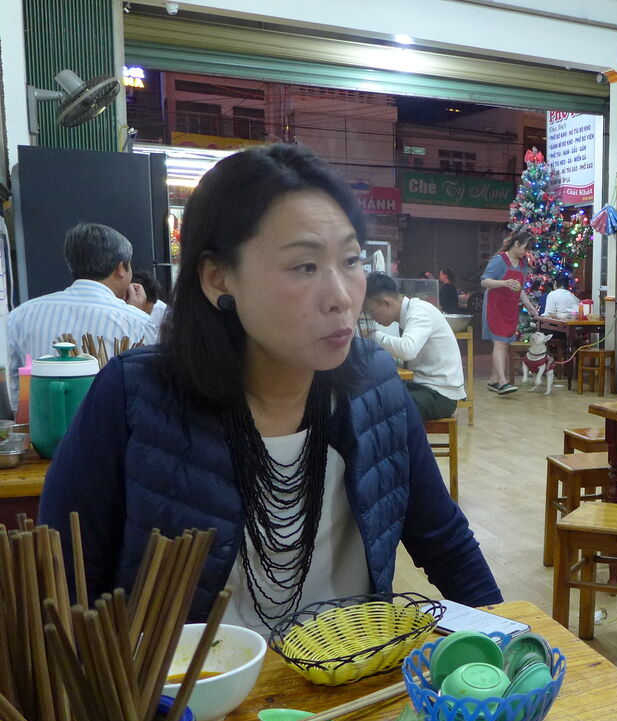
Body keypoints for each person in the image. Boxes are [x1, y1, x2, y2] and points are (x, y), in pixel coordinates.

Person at [39, 143, 501, 633]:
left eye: (351, 260)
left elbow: (444, 540)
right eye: (305, 266)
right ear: (218, 278)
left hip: (352, 670)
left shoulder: (375, 384)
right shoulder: (133, 395)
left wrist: (510, 648)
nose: (341, 297)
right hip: (196, 682)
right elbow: (63, 582)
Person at [7, 222, 154, 399]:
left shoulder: (21, 315)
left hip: (41, 415)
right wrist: (134, 317)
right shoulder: (139, 323)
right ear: (121, 268)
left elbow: (12, 390)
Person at [363, 271, 466, 422]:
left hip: (440, 394)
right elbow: (410, 359)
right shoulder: (408, 314)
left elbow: (407, 350)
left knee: (387, 409)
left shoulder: (419, 312)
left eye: (372, 312)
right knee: (373, 398)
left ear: (386, 303)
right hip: (422, 387)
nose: (373, 318)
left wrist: (372, 335)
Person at [480, 229, 540, 395]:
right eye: (525, 248)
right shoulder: (500, 260)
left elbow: (520, 288)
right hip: (495, 305)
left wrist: (529, 304)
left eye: (529, 250)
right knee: (499, 343)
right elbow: (484, 281)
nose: (526, 253)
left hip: (510, 307)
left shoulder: (522, 264)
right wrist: (504, 283)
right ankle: (503, 382)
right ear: (516, 243)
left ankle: (493, 380)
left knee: (504, 344)